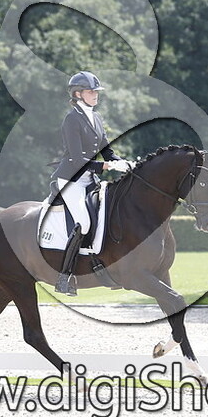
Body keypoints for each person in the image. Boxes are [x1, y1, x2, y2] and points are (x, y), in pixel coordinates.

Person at [52, 71, 131, 295]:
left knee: (111, 214)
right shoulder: (71, 119)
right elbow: (78, 160)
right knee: (85, 223)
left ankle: (105, 267)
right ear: (78, 94)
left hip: (89, 179)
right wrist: (107, 167)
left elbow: (107, 151)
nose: (95, 95)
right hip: (71, 180)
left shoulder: (96, 117)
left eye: (96, 91)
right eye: (90, 91)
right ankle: (65, 276)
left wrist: (123, 162)